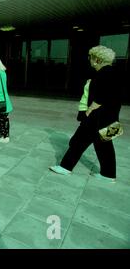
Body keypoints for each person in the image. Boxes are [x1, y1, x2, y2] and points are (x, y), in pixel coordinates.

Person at [49, 46, 122, 183]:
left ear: (97, 59)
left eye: (91, 57)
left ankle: (65, 167)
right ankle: (108, 174)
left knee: (78, 142)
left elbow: (101, 97)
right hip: (110, 117)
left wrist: (88, 111)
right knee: (104, 146)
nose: (89, 60)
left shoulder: (103, 73)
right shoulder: (114, 72)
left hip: (97, 117)